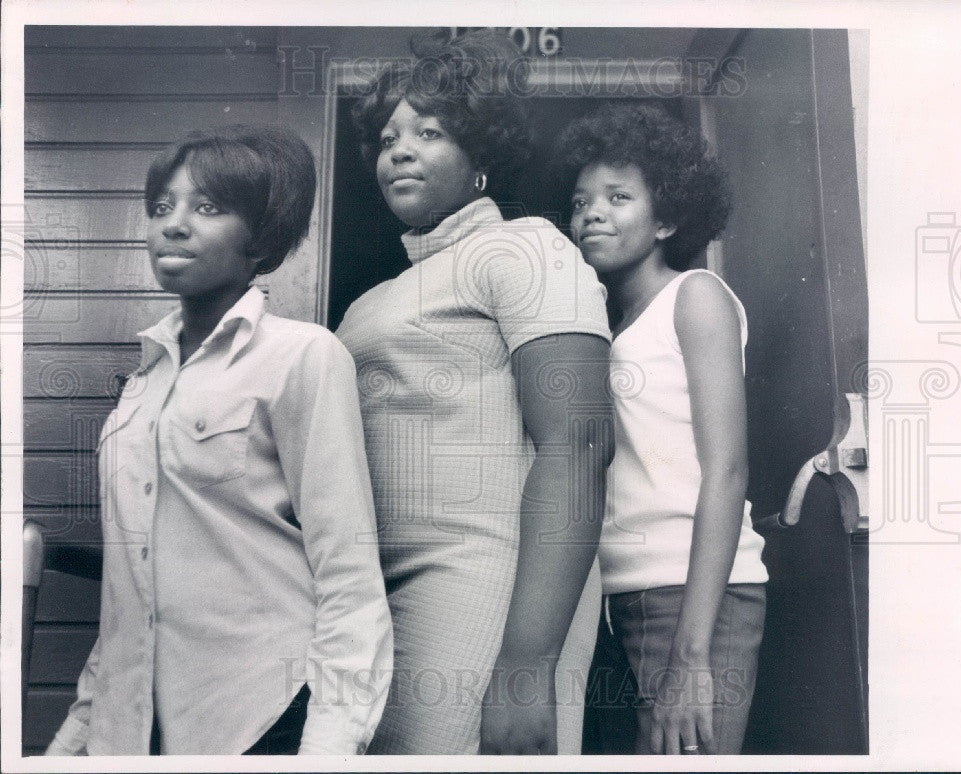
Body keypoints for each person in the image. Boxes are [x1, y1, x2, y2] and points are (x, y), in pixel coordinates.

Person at [45, 125, 392, 756]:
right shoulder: (141, 383)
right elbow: (131, 592)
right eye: (161, 208)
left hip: (259, 720)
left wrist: (328, 749)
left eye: (207, 208)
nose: (173, 225)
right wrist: (74, 739)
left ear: (259, 238)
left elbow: (349, 577)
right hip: (129, 731)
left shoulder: (303, 357)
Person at [336, 30, 614, 754]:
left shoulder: (528, 248)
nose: (399, 149)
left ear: (481, 152)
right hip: (379, 599)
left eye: (429, 132)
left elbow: (579, 445)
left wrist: (525, 671)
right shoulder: (372, 301)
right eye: (389, 135)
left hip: (488, 587)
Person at [553, 103, 768, 755]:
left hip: (697, 596)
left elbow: (727, 471)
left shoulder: (694, 295)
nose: (593, 212)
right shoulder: (610, 327)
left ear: (668, 217)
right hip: (625, 599)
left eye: (619, 197)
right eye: (581, 200)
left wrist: (691, 659)